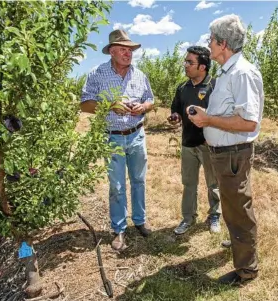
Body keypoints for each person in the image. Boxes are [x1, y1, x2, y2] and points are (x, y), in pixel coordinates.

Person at [188, 14, 264, 285]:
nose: (208, 45)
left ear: (222, 43)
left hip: (233, 153)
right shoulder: (228, 72)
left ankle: (246, 271)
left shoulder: (242, 73)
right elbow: (230, 113)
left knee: (239, 209)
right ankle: (239, 247)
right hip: (225, 153)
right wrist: (208, 116)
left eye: (211, 40)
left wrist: (207, 120)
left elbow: (248, 122)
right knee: (232, 206)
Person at [81, 29, 153, 251]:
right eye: (123, 49)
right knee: (118, 185)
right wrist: (110, 105)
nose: (128, 53)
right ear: (111, 51)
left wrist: (143, 107)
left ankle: (140, 221)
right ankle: (119, 229)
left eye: (130, 49)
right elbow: (84, 104)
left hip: (136, 134)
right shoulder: (97, 74)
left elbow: (150, 99)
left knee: (139, 180)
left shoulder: (140, 75)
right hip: (112, 137)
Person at [167, 46, 221, 235]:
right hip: (188, 143)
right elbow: (176, 109)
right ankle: (188, 218)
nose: (186, 65)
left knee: (213, 183)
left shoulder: (215, 87)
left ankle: (215, 215)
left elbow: (222, 115)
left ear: (203, 67)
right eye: (186, 61)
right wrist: (175, 116)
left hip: (209, 144)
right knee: (189, 183)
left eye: (190, 62)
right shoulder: (182, 88)